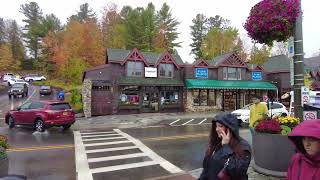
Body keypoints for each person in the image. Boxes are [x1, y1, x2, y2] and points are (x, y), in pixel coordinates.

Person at [199, 112, 251, 180]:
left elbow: (237, 172)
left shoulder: (243, 147)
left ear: (230, 128)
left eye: (220, 126)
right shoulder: (216, 143)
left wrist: (226, 147)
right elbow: (207, 169)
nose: (216, 129)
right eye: (216, 126)